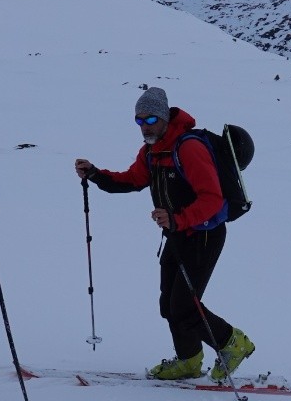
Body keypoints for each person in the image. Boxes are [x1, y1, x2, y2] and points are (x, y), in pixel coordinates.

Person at [73, 86, 255, 382]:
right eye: (139, 121)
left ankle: (233, 344)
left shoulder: (188, 148)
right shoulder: (152, 152)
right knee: (168, 304)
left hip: (203, 235)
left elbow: (213, 199)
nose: (145, 127)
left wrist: (177, 218)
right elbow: (132, 180)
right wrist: (95, 174)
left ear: (165, 118)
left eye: (151, 120)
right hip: (178, 234)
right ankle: (189, 361)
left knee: (184, 305)